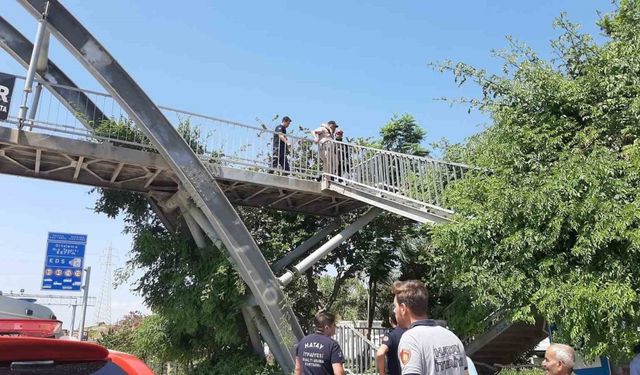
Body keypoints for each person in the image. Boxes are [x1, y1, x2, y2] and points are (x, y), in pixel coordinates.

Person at [393, 280, 466, 375]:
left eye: (395, 306)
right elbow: (466, 372)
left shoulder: (411, 339)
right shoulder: (452, 337)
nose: (394, 310)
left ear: (403, 308)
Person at [376, 306, 406, 375]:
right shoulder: (410, 332)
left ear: (390, 320)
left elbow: (380, 353)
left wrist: (382, 373)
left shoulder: (391, 336)